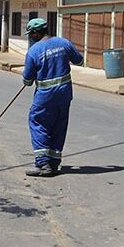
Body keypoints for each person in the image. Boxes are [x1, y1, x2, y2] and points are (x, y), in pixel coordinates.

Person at [21, 18, 83, 177]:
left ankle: (43, 164)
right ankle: (54, 163)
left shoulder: (34, 51)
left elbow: (27, 80)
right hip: (65, 94)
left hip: (45, 96)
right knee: (59, 125)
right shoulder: (64, 43)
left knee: (38, 123)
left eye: (31, 34)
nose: (31, 37)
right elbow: (79, 60)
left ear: (36, 32)